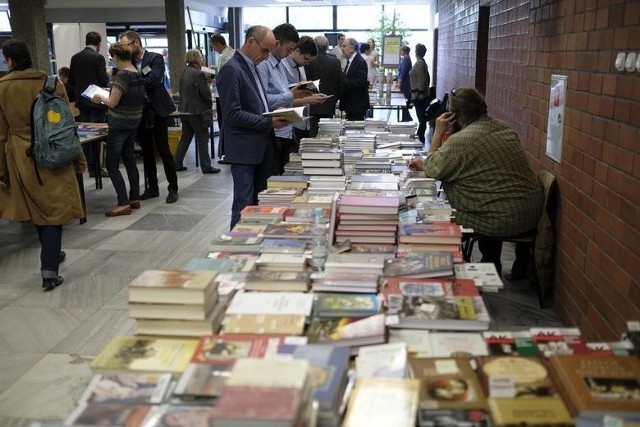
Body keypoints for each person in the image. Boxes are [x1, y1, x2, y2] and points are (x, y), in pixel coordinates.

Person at [409, 88, 543, 275]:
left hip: (500, 218)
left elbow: (433, 169)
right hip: (529, 213)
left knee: (436, 215)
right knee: (485, 192)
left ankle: (462, 265)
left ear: (454, 116)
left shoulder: (462, 139)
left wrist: (438, 132)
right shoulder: (502, 127)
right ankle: (495, 260)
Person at [0, 39, 86, 291]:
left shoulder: (1, 89)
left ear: (10, 61)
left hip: (21, 156)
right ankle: (49, 270)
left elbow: (1, 134)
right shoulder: (51, 83)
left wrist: (2, 170)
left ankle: (52, 255)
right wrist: (80, 160)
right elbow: (69, 125)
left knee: (40, 206)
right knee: (53, 209)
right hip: (55, 152)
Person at [216, 25, 290, 229]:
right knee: (244, 204)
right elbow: (232, 114)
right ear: (250, 42)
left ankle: (254, 245)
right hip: (244, 150)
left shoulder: (252, 68)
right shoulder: (231, 70)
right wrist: (268, 122)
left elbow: (258, 104)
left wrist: (275, 113)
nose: (266, 57)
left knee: (259, 204)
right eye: (265, 50)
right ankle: (236, 251)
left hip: (262, 145)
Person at [120, 30, 179, 204]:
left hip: (158, 110)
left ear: (135, 43)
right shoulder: (127, 62)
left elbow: (154, 80)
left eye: (126, 45)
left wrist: (132, 82)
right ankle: (152, 187)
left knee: (163, 149)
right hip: (140, 111)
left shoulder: (155, 58)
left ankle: (173, 188)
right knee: (146, 151)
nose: (124, 49)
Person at [257, 24, 324, 174]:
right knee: (273, 175)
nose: (288, 54)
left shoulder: (280, 63)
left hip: (287, 128)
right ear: (277, 43)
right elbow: (262, 100)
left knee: (285, 173)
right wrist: (293, 95)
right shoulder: (265, 65)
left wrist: (299, 93)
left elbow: (283, 93)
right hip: (275, 130)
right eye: (288, 50)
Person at [90, 42, 145, 217]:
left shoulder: (121, 75)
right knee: (129, 160)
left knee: (111, 164)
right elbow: (125, 94)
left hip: (119, 124)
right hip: (133, 122)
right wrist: (111, 91)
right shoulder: (136, 72)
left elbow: (113, 103)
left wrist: (100, 97)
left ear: (115, 57)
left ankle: (122, 203)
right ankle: (134, 197)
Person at [68, 31, 110, 178]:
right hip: (96, 101)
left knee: (86, 136)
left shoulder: (75, 58)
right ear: (98, 44)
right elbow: (104, 80)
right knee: (98, 135)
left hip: (82, 103)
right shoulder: (98, 57)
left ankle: (88, 165)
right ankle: (96, 168)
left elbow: (71, 81)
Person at [174, 49, 220, 175]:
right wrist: (208, 84)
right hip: (196, 111)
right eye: (201, 57)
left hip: (184, 110)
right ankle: (206, 166)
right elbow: (204, 93)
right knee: (202, 138)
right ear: (196, 58)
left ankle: (177, 163)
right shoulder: (198, 73)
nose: (202, 59)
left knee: (185, 138)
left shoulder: (185, 72)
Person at [282, 35, 320, 142]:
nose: (306, 63)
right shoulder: (283, 66)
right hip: (291, 124)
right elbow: (284, 100)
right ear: (297, 51)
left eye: (309, 61)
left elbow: (301, 92)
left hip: (304, 122)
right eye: (306, 59)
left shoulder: (301, 66)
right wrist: (307, 100)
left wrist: (312, 95)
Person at [305, 35, 343, 137]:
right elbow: (340, 83)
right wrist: (335, 98)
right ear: (327, 47)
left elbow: (306, 82)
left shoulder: (308, 61)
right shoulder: (335, 62)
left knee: (312, 136)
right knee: (328, 135)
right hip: (329, 104)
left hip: (311, 104)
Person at [339, 37, 369, 121]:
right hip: (351, 105)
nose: (342, 49)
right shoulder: (350, 61)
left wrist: (343, 82)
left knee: (355, 130)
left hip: (356, 105)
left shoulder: (360, 61)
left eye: (344, 46)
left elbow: (361, 82)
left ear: (352, 48)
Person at [409, 43, 431, 144]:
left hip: (420, 96)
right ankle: (420, 137)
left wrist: (419, 94)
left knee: (422, 118)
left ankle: (420, 138)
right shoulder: (422, 63)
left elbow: (421, 81)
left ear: (416, 52)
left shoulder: (419, 64)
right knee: (422, 118)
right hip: (421, 95)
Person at [397, 45, 413, 122]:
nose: (400, 52)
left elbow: (403, 72)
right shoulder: (406, 59)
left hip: (405, 83)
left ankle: (406, 117)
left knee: (404, 101)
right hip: (405, 82)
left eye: (401, 50)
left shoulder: (406, 60)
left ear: (404, 51)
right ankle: (406, 116)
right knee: (404, 101)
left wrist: (399, 81)